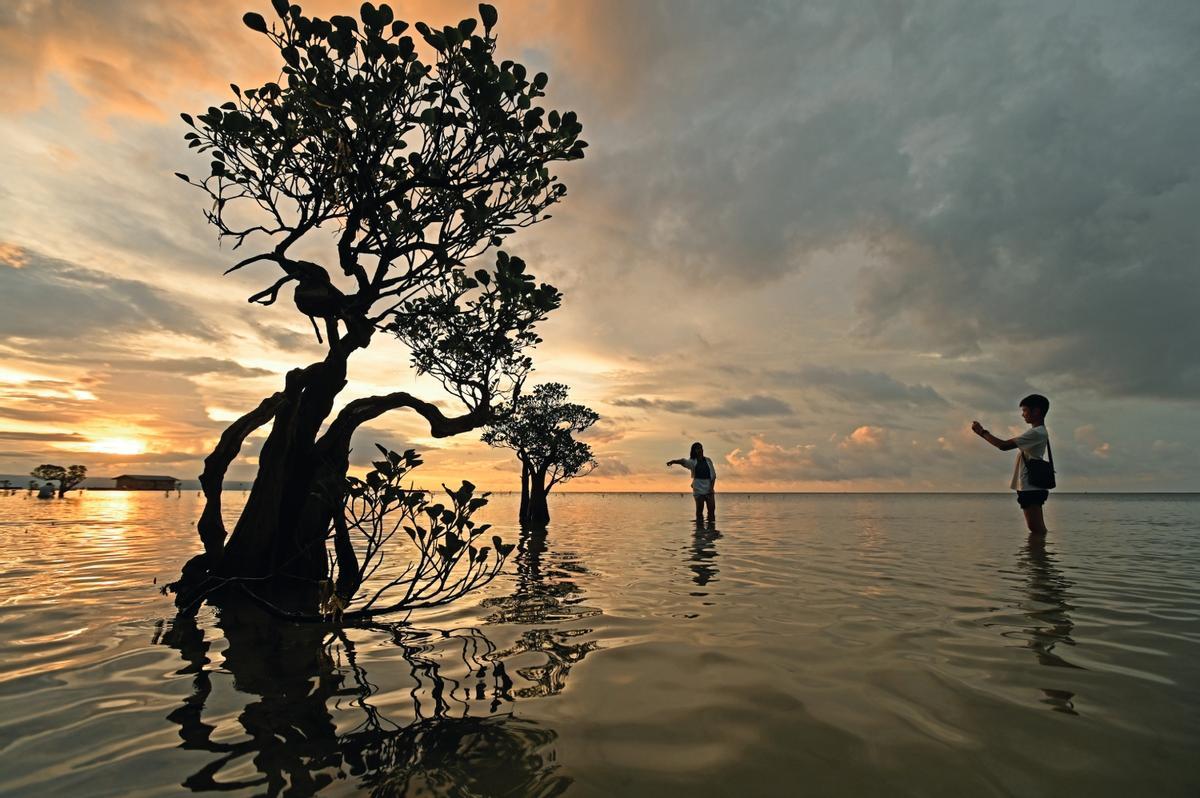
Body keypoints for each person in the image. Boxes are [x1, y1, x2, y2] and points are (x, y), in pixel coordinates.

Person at [971, 393, 1052, 536]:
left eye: (1025, 410)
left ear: (1036, 411)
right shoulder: (1038, 432)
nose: (1022, 414)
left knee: (1036, 528)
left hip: (1030, 486)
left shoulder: (1036, 433)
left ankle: (1040, 550)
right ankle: (1039, 549)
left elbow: (1003, 445)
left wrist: (982, 432)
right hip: (1031, 486)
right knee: (1036, 527)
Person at [667, 442, 717, 524]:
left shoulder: (708, 460)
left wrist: (711, 488)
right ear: (694, 451)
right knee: (699, 512)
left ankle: (711, 530)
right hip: (698, 489)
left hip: (709, 489)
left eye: (701, 448)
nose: (700, 450)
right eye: (697, 448)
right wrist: (673, 461)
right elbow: (683, 461)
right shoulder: (693, 462)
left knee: (711, 512)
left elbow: (713, 475)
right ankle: (699, 530)